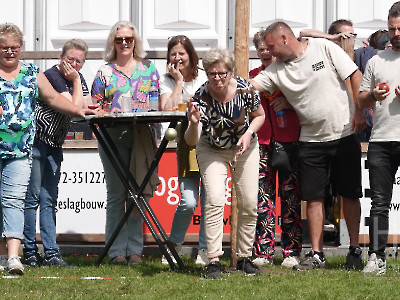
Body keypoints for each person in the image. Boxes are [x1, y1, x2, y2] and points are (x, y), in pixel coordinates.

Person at [251, 21, 365, 270]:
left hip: (344, 131)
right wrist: (217, 85)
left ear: (283, 39)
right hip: (310, 140)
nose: (268, 52)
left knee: (350, 194)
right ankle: (317, 255)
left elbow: (355, 75)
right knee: (313, 198)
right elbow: (249, 87)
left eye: (271, 46)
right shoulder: (275, 70)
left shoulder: (323, 48)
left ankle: (355, 250)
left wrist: (360, 111)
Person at [0, 23, 88, 274]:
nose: (9, 52)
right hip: (17, 144)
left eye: (14, 47)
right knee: (13, 201)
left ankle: (14, 258)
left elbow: (54, 99)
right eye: (4, 47)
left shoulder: (31, 72)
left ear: (21, 48)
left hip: (21, 149)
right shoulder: (48, 73)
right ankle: (13, 253)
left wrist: (78, 110)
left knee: (15, 201)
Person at [184, 48, 265, 279]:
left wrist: (248, 133)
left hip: (244, 147)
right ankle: (213, 260)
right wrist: (192, 122)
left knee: (249, 202)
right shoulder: (200, 98)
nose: (217, 78)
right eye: (212, 74)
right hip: (212, 149)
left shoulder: (245, 89)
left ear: (230, 72)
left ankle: (245, 256)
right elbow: (192, 140)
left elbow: (260, 116)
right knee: (215, 200)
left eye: (222, 73)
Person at [91, 21, 160, 265]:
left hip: (142, 134)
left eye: (128, 39)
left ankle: (135, 251)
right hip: (112, 136)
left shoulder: (148, 68)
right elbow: (94, 105)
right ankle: (116, 251)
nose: (124, 43)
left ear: (135, 42)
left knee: (138, 195)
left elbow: (155, 102)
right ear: (113, 42)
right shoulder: (103, 72)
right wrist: (101, 111)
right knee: (116, 195)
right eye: (119, 39)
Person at [22, 39, 91, 268]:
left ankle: (51, 253)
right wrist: (76, 81)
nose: (73, 64)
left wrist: (77, 82)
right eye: (70, 59)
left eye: (78, 61)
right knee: (31, 199)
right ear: (61, 58)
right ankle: (30, 252)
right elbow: (74, 107)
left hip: (54, 144)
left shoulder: (77, 79)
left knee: (49, 199)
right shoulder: (51, 76)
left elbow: (84, 106)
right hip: (37, 142)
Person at [249, 30, 302, 268]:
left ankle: (291, 251)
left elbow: (309, 99)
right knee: (263, 199)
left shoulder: (290, 73)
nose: (265, 53)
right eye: (261, 49)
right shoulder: (252, 77)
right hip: (261, 144)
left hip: (290, 141)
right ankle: (264, 250)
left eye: (269, 49)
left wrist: (290, 103)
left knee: (290, 198)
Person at [358, 1, 400, 275]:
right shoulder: (376, 60)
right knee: (380, 202)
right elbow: (361, 100)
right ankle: (376, 257)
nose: (396, 33)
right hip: (382, 140)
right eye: (392, 28)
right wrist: (374, 95)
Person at [158, 35, 208, 265]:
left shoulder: (205, 77)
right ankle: (174, 245)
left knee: (211, 200)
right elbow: (166, 110)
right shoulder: (166, 80)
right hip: (186, 143)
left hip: (210, 143)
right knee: (188, 200)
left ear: (191, 55)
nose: (177, 58)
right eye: (173, 53)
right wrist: (178, 82)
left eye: (182, 53)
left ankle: (206, 250)